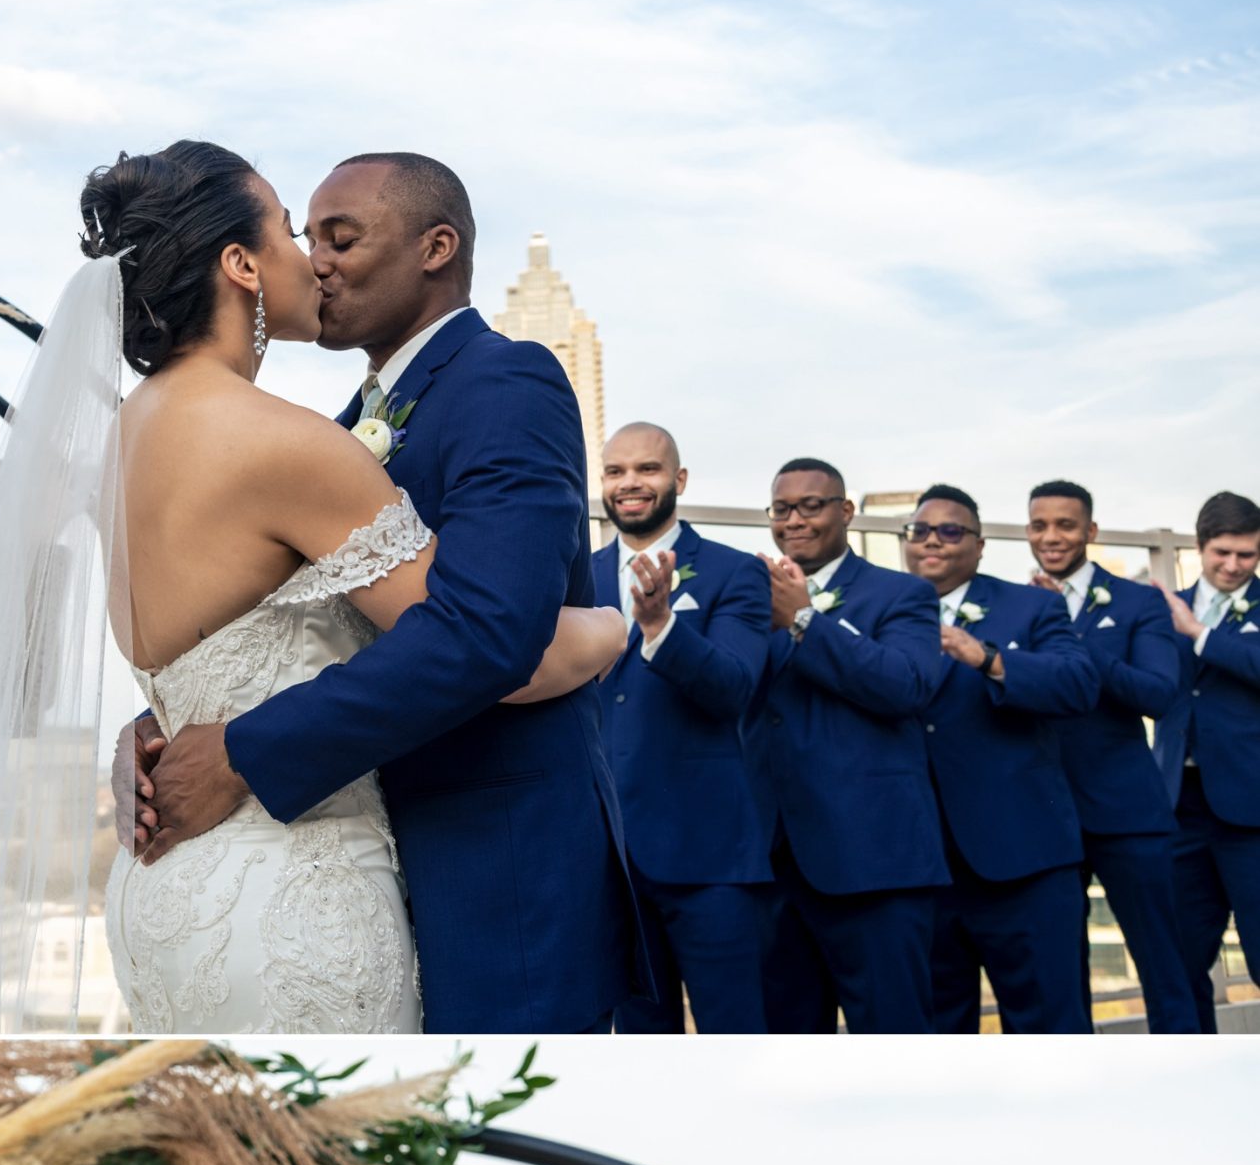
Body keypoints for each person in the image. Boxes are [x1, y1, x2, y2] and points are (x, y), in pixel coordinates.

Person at [122, 150, 645, 1035]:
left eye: (342, 236)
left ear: (436, 247)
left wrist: (244, 746)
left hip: (493, 863)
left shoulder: (505, 380)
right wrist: (164, 722)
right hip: (333, 861)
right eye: (305, 234)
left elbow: (487, 631)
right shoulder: (311, 437)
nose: (317, 259)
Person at [744, 460, 949, 1032]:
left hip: (875, 864)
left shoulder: (903, 593)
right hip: (773, 864)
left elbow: (906, 686)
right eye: (781, 510)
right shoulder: (747, 596)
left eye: (811, 506)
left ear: (845, 511)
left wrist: (805, 619)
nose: (794, 521)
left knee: (894, 1038)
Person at [592, 424, 771, 1032]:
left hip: (709, 853)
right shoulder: (574, 574)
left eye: (647, 469)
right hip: (608, 858)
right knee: (641, 1040)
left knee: (735, 1031)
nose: (630, 484)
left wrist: (663, 626)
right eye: (616, 472)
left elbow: (735, 689)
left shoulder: (735, 572)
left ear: (679, 480)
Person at [902, 487, 1097, 1033]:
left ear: (981, 545)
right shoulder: (882, 609)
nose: (932, 541)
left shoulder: (1031, 605)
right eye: (919, 531)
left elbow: (1079, 685)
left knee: (1050, 1030)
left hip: (1023, 861)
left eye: (950, 530)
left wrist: (986, 658)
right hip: (920, 868)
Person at [1024, 480, 1200, 1032]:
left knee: (1165, 970)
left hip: (1127, 814)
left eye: (1065, 525)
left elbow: (1156, 695)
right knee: (1057, 974)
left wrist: (1069, 641)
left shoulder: (1138, 601)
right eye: (1039, 525)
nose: (1051, 537)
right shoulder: (1014, 603)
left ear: (1090, 531)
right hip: (1043, 815)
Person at [1154, 488, 1260, 1029]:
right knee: (1179, 960)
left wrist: (1198, 634)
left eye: (1246, 554)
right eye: (1222, 552)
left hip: (1253, 810)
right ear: (1200, 547)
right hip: (1178, 806)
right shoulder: (1161, 607)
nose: (1233, 565)